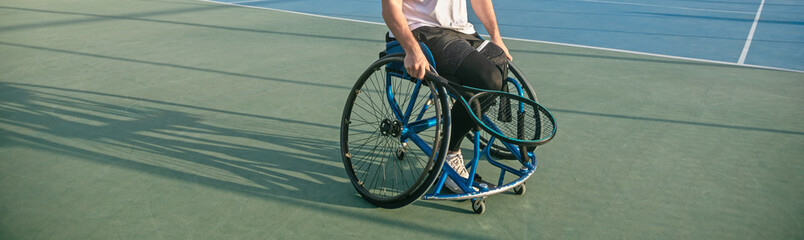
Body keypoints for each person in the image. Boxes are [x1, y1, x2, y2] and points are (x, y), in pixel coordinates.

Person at [382, 0, 512, 193]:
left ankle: (463, 117)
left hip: (460, 32)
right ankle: (448, 153)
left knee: (499, 61)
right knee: (488, 78)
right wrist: (412, 50)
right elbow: (389, 7)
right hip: (422, 33)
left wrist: (496, 36)